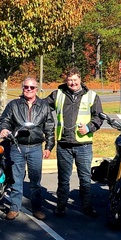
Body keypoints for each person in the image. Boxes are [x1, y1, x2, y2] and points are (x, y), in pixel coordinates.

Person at [46, 68, 102, 218]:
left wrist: (89, 127)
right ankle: (61, 206)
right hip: (64, 144)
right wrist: (27, 100)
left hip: (84, 145)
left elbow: (99, 117)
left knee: (85, 179)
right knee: (63, 179)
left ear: (80, 80)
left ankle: (87, 207)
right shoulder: (58, 94)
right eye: (69, 80)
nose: (72, 83)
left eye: (75, 80)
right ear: (66, 81)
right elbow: (42, 106)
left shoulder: (92, 96)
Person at [0, 77, 55, 221]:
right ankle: (14, 208)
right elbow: (5, 119)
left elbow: (49, 127)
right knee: (16, 179)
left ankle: (37, 208)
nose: (29, 89)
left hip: (36, 147)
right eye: (26, 87)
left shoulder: (44, 106)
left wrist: (49, 146)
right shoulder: (14, 104)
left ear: (37, 89)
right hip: (17, 146)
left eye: (32, 87)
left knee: (35, 180)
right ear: (22, 88)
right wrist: (3, 128)